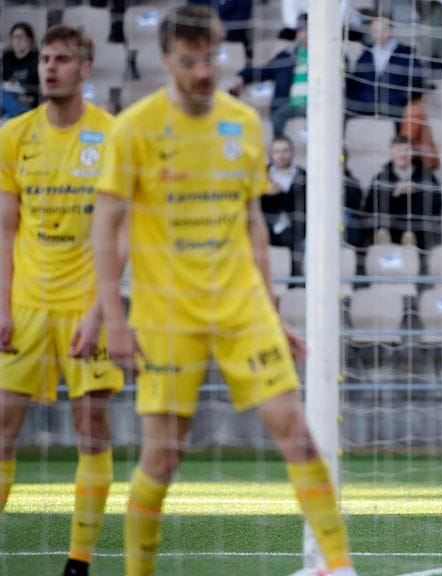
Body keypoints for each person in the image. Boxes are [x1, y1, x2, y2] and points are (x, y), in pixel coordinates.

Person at [89, 7, 356, 575]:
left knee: (298, 436)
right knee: (162, 457)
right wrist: (115, 316)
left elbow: (253, 222)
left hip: (242, 308)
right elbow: (105, 227)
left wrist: (274, 309)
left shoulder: (242, 121)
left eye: (210, 57)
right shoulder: (133, 128)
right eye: (189, 61)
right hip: (166, 316)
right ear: (166, 61)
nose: (202, 70)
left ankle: (337, 567)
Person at [0, 25, 122, 576]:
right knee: (2, 428)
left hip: (84, 302)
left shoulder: (113, 137)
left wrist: (101, 311)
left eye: (63, 59)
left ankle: (79, 561)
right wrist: (1, 305)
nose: (50, 67)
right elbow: (5, 228)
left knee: (92, 431)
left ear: (85, 68)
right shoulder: (12, 135)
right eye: (45, 58)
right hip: (24, 302)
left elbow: (121, 235)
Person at [232, 12, 308, 137]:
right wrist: (243, 77)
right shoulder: (287, 55)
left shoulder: (330, 56)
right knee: (278, 117)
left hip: (320, 104)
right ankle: (279, 150)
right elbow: (264, 71)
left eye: (307, 30)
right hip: (291, 106)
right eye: (301, 30)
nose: (304, 34)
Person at [345, 13, 426, 119]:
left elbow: (417, 83)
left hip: (396, 109)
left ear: (391, 29)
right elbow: (355, 82)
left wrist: (401, 99)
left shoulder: (406, 54)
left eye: (382, 29)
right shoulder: (366, 53)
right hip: (365, 108)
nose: (379, 33)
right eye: (375, 30)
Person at [365, 135, 441, 248]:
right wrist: (394, 193)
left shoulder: (426, 175)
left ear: (412, 153)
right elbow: (369, 207)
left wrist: (417, 190)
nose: (403, 154)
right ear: (391, 152)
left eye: (407, 150)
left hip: (417, 229)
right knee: (382, 226)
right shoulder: (380, 178)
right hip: (390, 227)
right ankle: (384, 241)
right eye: (398, 150)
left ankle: (410, 240)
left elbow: (438, 202)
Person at [263, 135, 307, 279]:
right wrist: (264, 192)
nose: (281, 155)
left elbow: (302, 206)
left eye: (285, 151)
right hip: (266, 226)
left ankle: (295, 281)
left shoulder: (302, 176)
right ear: (271, 154)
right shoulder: (261, 175)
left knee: (297, 241)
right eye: (277, 151)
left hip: (294, 228)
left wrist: (279, 193)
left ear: (292, 152)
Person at [2, 22, 41, 118]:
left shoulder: (37, 59)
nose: (17, 41)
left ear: (29, 40)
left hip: (27, 102)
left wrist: (31, 99)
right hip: (8, 98)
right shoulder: (6, 59)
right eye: (14, 37)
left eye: (20, 37)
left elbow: (43, 91)